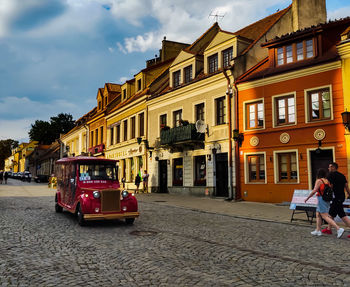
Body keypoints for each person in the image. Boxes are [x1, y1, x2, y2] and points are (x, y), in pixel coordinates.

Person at [304, 168, 344, 238]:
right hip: (326, 199)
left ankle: (338, 229)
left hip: (321, 199)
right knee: (318, 214)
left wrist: (307, 198)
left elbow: (314, 191)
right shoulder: (327, 181)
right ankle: (318, 230)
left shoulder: (319, 181)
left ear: (318, 174)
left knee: (324, 216)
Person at [322, 162, 350, 238]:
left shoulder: (331, 175)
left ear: (333, 167)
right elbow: (346, 186)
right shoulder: (342, 176)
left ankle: (335, 229)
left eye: (329, 167)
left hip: (336, 197)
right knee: (331, 213)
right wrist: (349, 193)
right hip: (341, 196)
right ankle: (328, 229)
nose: (328, 168)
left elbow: (330, 185)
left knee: (342, 215)